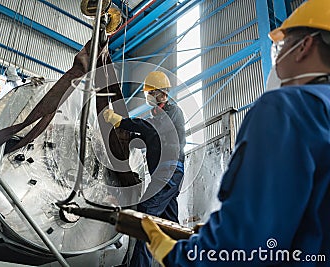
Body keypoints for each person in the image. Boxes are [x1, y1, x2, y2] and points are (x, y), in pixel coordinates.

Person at [138, 0, 330, 266]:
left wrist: (179, 257)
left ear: (305, 46)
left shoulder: (288, 108)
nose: (278, 55)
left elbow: (244, 242)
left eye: (281, 46)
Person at [103, 71, 186, 267]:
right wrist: (128, 137)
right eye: (147, 92)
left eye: (151, 92)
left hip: (169, 170)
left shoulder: (173, 111)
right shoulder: (156, 115)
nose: (148, 96)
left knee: (145, 214)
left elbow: (150, 129)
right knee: (171, 225)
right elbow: (146, 138)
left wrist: (122, 121)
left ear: (162, 94)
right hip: (164, 173)